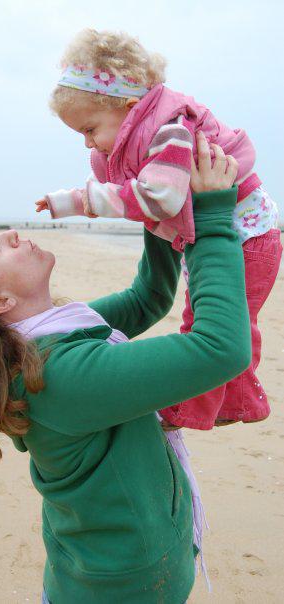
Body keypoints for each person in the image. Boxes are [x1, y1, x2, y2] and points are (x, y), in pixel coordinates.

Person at [0, 139, 250, 603]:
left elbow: (148, 298)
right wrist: (211, 216)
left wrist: (155, 205)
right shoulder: (60, 375)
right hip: (122, 588)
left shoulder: (41, 339)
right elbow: (221, 348)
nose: (10, 233)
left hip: (104, 573)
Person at [36, 28, 282, 431]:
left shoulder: (169, 131)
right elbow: (149, 217)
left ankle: (195, 409)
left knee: (214, 325)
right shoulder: (140, 141)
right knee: (222, 320)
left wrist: (80, 201)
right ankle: (233, 406)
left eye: (90, 130)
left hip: (249, 236)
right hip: (217, 237)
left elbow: (161, 199)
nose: (87, 144)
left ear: (129, 107)